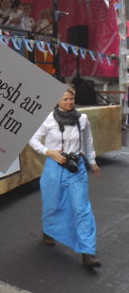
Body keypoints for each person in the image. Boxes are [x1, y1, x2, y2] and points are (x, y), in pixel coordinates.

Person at [29, 87, 102, 268]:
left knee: (81, 208)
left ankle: (88, 252)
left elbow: (87, 142)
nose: (69, 102)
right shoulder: (48, 119)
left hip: (76, 168)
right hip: (54, 167)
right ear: (57, 101)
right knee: (52, 204)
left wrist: (92, 161)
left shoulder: (82, 119)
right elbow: (33, 139)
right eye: (65, 99)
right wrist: (49, 152)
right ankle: (48, 230)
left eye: (71, 98)